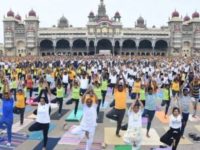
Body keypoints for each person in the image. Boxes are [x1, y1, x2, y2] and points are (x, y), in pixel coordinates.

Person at [106, 71, 127, 137]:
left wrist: (122, 75)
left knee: (119, 123)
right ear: (117, 88)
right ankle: (117, 119)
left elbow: (125, 82)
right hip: (116, 109)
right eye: (119, 87)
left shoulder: (124, 91)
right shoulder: (116, 91)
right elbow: (116, 83)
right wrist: (118, 76)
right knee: (108, 115)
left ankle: (117, 133)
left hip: (122, 110)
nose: (120, 87)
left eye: (121, 86)